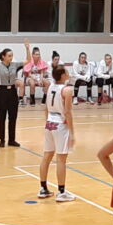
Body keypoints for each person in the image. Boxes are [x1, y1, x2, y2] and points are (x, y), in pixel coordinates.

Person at [38, 66, 76, 202]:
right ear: (63, 75)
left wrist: (47, 122)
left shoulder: (50, 87)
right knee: (61, 159)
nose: (68, 73)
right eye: (66, 71)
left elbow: (46, 108)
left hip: (49, 122)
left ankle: (43, 189)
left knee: (47, 156)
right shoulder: (67, 90)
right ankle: (61, 192)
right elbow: (68, 112)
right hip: (60, 124)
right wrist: (72, 133)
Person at [0, 39, 30, 148]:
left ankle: (12, 140)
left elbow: (28, 60)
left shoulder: (15, 65)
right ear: (3, 57)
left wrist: (27, 48)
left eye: (12, 56)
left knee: (13, 117)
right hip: (1, 93)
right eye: (9, 56)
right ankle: (2, 140)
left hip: (12, 93)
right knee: (1, 117)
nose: (11, 57)